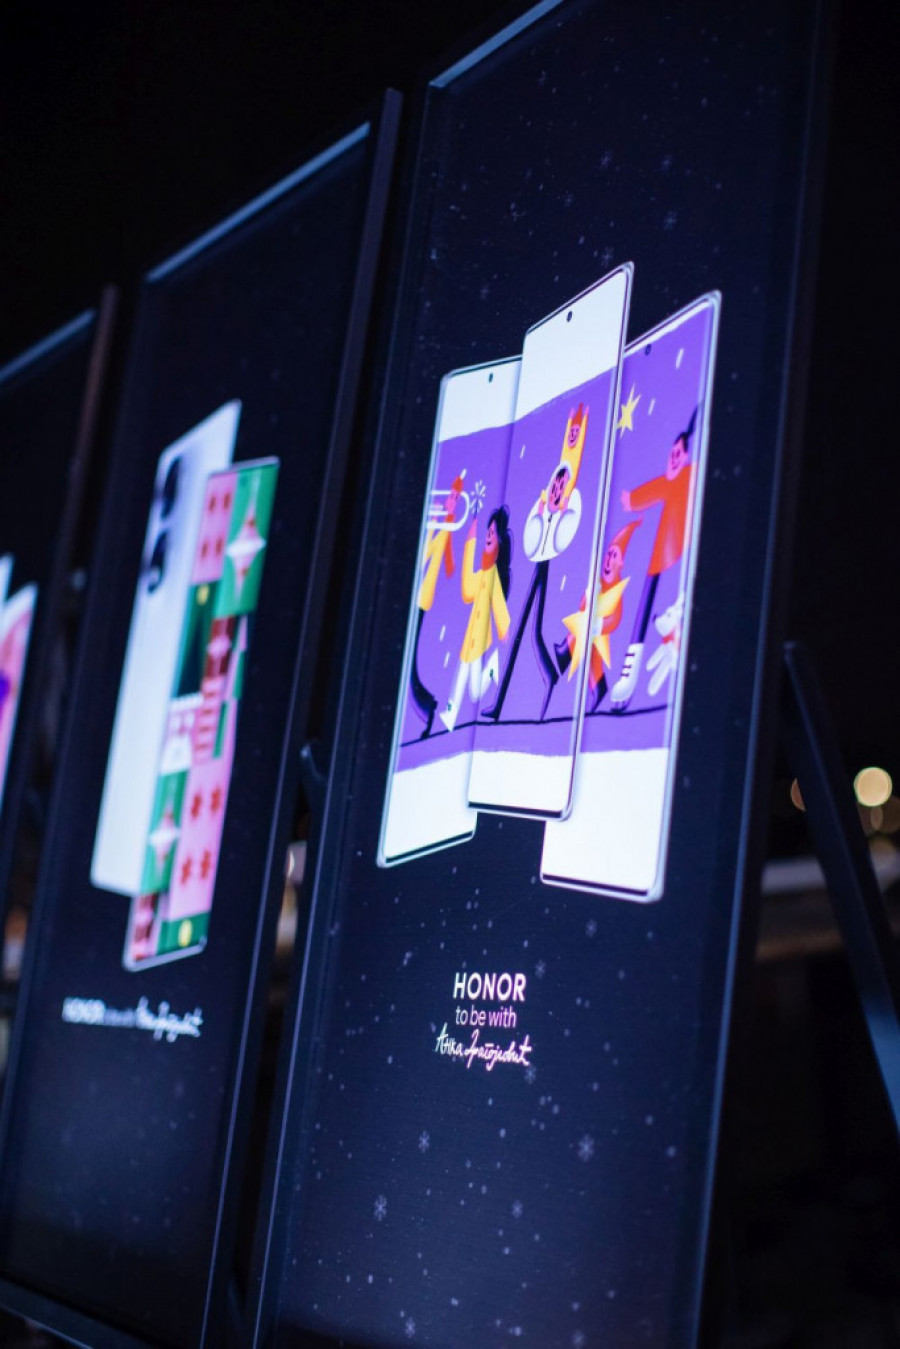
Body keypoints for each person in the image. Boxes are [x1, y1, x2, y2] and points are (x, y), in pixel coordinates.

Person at [482, 404, 588, 724]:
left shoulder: (567, 509)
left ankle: (544, 679)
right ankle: (513, 695)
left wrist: (577, 426)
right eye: (554, 485)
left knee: (530, 632)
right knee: (527, 632)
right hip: (540, 562)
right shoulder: (546, 507)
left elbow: (561, 530)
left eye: (560, 486)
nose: (555, 490)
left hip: (546, 563)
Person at [610, 409, 697, 711]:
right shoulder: (668, 481)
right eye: (672, 453)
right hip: (657, 559)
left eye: (678, 453)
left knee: (666, 613)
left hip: (680, 556)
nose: (673, 458)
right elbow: (649, 491)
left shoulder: (690, 475)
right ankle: (628, 676)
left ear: (686, 456)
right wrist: (630, 499)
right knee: (641, 618)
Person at [439, 506, 512, 732]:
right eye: (487, 532)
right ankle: (451, 714)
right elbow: (467, 591)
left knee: (474, 691)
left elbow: (498, 602)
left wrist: (504, 627)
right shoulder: (481, 573)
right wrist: (470, 541)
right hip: (469, 639)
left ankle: (491, 668)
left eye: (492, 533)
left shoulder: (493, 576)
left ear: (499, 543)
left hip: (479, 641)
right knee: (461, 679)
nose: (488, 536)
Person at [555, 519, 639, 712]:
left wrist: (598, 625)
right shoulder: (599, 582)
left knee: (591, 652)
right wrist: (590, 592)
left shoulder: (617, 588)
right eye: (608, 555)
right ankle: (597, 686)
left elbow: (616, 618)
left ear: (621, 563)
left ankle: (565, 653)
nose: (608, 560)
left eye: (614, 556)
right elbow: (582, 606)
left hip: (598, 630)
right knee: (593, 662)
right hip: (592, 631)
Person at [409, 473, 464, 737]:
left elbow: (443, 561)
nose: (450, 501)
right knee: (409, 664)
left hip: (422, 597)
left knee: (409, 663)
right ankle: (427, 707)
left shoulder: (446, 526)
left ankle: (428, 708)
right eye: (451, 496)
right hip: (417, 593)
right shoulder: (439, 524)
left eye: (454, 498)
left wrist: (437, 527)